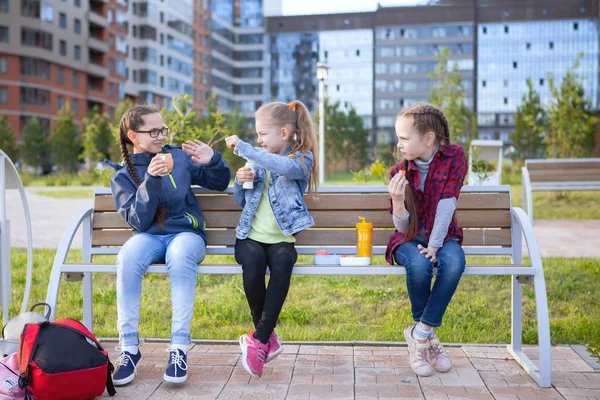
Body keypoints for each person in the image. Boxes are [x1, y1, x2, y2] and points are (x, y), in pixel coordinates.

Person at [105, 105, 231, 385]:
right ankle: (128, 349)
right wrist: (151, 179)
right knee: (127, 258)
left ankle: (179, 348)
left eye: (163, 129)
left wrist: (212, 160)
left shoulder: (179, 157)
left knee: (179, 253)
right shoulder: (122, 176)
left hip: (187, 235)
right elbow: (139, 221)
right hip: (149, 236)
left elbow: (220, 182)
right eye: (153, 131)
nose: (161, 135)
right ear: (133, 136)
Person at [224, 100, 318, 379]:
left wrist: (245, 149)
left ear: (284, 133)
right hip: (250, 235)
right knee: (252, 263)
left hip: (282, 239)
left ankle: (260, 339)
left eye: (263, 134)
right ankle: (266, 338)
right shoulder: (257, 157)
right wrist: (240, 181)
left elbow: (284, 169)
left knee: (283, 261)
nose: (259, 139)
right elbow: (241, 200)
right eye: (257, 135)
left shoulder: (302, 158)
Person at [386, 103, 468, 377]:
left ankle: (419, 332)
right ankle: (428, 340)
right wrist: (398, 201)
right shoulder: (399, 171)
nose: (399, 145)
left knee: (454, 263)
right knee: (420, 267)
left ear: (428, 138)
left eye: (405, 138)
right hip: (409, 239)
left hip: (443, 236)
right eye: (399, 138)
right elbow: (402, 226)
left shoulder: (454, 156)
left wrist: (434, 245)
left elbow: (447, 204)